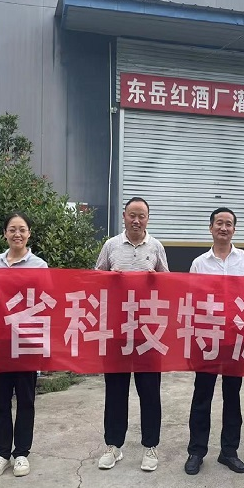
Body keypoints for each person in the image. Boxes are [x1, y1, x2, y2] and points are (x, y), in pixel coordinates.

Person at [95, 197, 169, 472]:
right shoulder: (111, 245)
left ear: (148, 219)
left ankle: (150, 446)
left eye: (142, 216)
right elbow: (94, 279)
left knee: (149, 391)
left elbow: (169, 283)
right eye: (132, 215)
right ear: (124, 216)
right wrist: (109, 278)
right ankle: (114, 446)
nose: (136, 221)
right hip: (117, 329)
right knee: (115, 390)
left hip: (149, 331)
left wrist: (155, 279)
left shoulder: (156, 246)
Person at [184, 208, 244, 476]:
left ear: (234, 229)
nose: (223, 228)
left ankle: (229, 451)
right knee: (202, 395)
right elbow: (191, 301)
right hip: (207, 338)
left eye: (228, 224)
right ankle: (196, 451)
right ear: (210, 228)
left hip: (236, 338)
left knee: (232, 396)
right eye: (219, 223)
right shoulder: (199, 263)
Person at [0, 212, 49, 478]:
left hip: (26, 342)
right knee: (0, 401)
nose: (17, 234)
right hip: (0, 342)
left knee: (25, 400)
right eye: (12, 229)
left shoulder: (39, 266)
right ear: (5, 234)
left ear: (29, 233)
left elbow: (46, 301)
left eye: (22, 229)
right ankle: (1, 453)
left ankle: (21, 452)